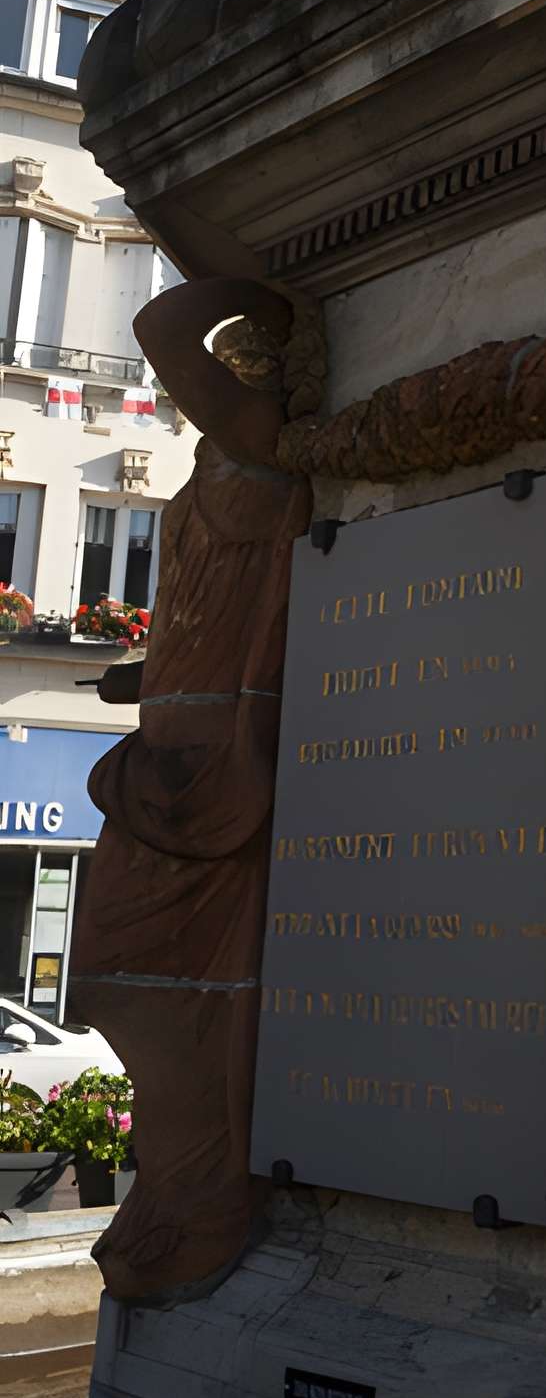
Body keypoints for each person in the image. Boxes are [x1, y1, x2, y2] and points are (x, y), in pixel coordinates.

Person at [69, 282, 317, 1302]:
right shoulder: (217, 464)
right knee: (134, 976)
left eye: (241, 360)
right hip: (172, 742)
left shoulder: (257, 441)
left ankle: (196, 1187)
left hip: (208, 765)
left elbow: (160, 327)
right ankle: (177, 1180)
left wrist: (256, 268)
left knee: (162, 974)